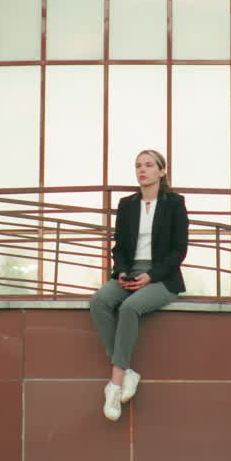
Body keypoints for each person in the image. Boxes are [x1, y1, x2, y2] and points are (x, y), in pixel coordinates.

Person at [89, 149, 189, 421]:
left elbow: (179, 250)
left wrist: (152, 276)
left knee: (130, 308)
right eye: (137, 166)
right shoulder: (127, 204)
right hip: (130, 272)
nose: (142, 170)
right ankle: (128, 370)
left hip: (162, 278)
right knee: (99, 301)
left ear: (162, 171)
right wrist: (121, 271)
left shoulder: (174, 203)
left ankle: (115, 383)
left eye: (148, 165)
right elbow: (119, 247)